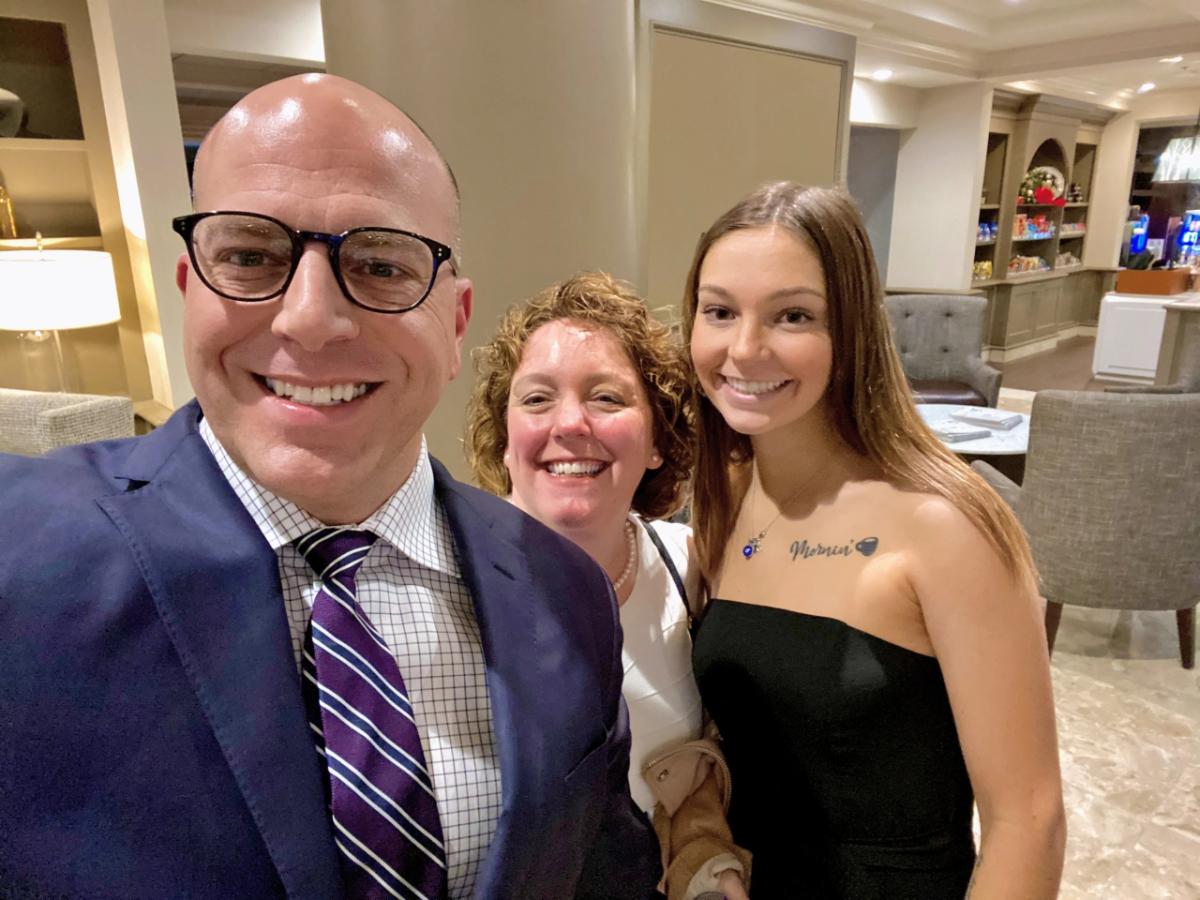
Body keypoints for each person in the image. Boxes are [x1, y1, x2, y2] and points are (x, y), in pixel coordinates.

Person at [0, 75, 659, 900]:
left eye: (380, 264)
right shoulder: (17, 560)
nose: (308, 318)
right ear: (187, 289)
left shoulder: (565, 591)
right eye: (248, 256)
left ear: (454, 325)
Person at [682, 183, 1066, 898]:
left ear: (853, 328)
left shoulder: (948, 525)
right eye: (720, 311)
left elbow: (1029, 821)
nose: (745, 348)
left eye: (793, 315)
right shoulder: (723, 496)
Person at [465, 272, 751, 900]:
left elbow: (697, 768)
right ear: (507, 440)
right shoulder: (450, 590)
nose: (570, 423)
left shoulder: (695, 572)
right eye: (537, 400)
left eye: (606, 398)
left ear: (655, 440)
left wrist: (708, 862)